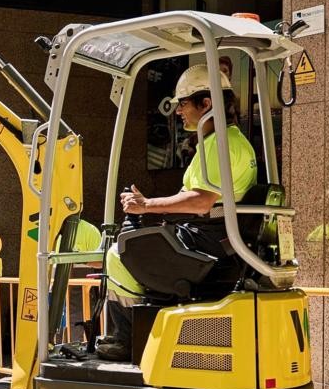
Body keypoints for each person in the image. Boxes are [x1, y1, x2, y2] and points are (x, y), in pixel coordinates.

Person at [96, 63, 258, 361]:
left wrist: (146, 206)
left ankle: (126, 340)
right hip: (218, 240)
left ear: (206, 103)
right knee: (142, 245)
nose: (178, 111)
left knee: (119, 253)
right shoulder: (231, 142)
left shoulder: (218, 145)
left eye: (182, 103)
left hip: (208, 241)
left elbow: (201, 201)